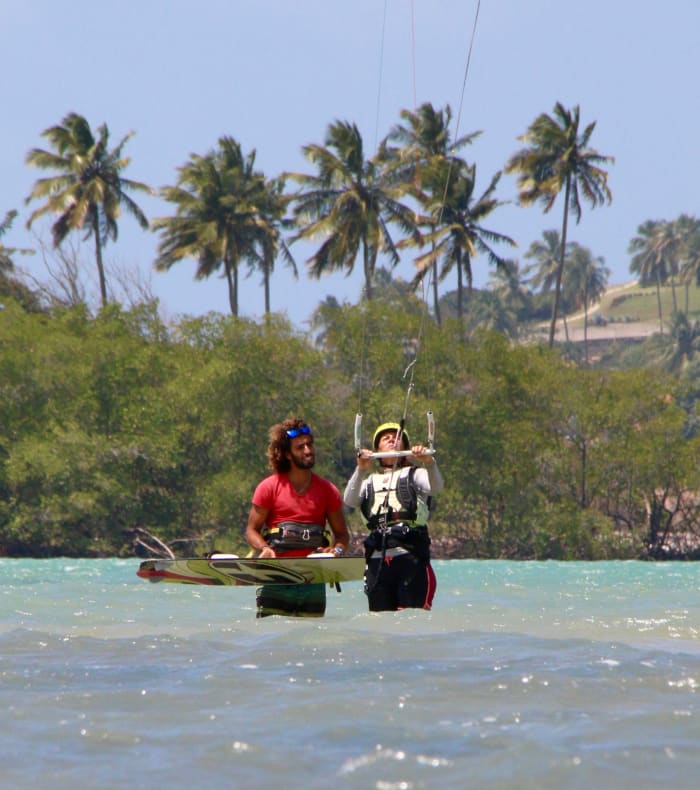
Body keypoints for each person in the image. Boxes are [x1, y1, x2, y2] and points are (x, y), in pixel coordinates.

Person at [245, 417, 350, 618]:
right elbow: (251, 531)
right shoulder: (268, 487)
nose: (308, 450)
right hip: (275, 578)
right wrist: (264, 548)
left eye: (309, 444)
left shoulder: (328, 490)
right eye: (300, 447)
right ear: (287, 454)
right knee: (273, 642)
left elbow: (342, 535)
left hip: (313, 581)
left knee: (311, 642)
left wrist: (336, 550)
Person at [343, 422, 444, 612]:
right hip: (378, 562)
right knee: (380, 622)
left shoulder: (416, 474)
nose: (391, 439)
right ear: (377, 449)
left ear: (405, 448)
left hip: (410, 557)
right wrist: (361, 469)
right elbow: (349, 500)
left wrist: (429, 462)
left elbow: (435, 487)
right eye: (385, 437)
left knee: (411, 618)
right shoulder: (367, 481)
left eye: (397, 437)